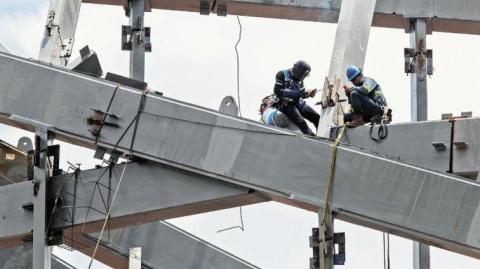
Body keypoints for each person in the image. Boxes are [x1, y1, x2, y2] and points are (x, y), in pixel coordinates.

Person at [272, 60, 319, 135]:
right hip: (286, 104)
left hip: (299, 103)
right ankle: (312, 137)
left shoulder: (300, 80)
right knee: (302, 123)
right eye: (304, 74)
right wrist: (294, 93)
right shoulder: (282, 74)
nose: (305, 76)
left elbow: (301, 94)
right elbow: (277, 91)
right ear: (299, 72)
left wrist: (308, 94)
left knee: (316, 117)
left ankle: (322, 136)